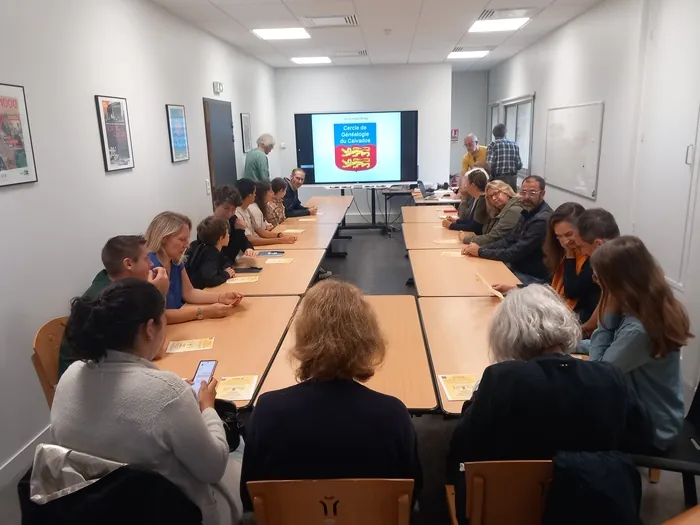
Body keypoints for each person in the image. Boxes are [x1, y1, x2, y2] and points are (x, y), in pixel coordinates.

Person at [447, 284, 653, 525]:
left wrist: (474, 400)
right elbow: (643, 437)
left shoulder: (500, 380)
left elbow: (463, 447)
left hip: (505, 508)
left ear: (505, 333)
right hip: (594, 507)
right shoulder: (609, 377)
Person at [52, 279, 243, 525]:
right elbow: (212, 468)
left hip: (89, 508)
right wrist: (207, 408)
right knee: (237, 449)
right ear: (150, 329)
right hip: (171, 512)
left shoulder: (70, 376)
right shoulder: (168, 393)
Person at [240, 280, 422, 511]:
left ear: (303, 335)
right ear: (366, 338)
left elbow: (250, 498)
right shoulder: (393, 414)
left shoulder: (267, 411)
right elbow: (412, 492)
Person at [578, 236, 692, 450]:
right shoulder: (640, 305)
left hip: (654, 429)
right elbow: (608, 349)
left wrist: (606, 317)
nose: (595, 279)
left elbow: (599, 373)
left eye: (599, 277)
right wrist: (563, 344)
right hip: (647, 411)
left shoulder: (640, 328)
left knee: (560, 417)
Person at [57, 235, 170, 379]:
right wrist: (158, 294)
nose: (151, 264)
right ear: (128, 264)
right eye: (146, 258)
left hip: (99, 377)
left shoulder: (114, 286)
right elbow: (155, 351)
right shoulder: (116, 301)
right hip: (91, 385)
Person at [146, 211, 243, 324]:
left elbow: (189, 292)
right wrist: (204, 312)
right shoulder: (149, 267)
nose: (187, 245)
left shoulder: (176, 261)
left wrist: (221, 297)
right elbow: (160, 316)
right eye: (182, 239)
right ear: (164, 238)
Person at [462, 176, 552, 284]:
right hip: (517, 267)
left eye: (532, 193)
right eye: (523, 192)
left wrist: (480, 251)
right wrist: (480, 248)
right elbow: (508, 240)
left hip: (531, 277)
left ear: (542, 194)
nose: (526, 197)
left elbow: (515, 252)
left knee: (481, 281)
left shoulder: (541, 220)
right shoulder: (527, 211)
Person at [574, 208, 621, 336]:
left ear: (598, 244)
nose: (583, 253)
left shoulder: (617, 274)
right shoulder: (621, 259)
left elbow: (599, 328)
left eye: (582, 247)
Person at [459, 180, 522, 247]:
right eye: (490, 197)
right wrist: (482, 197)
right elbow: (479, 222)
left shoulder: (514, 210)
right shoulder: (497, 211)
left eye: (496, 194)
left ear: (506, 192)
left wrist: (466, 238)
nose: (494, 198)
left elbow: (493, 238)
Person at [234, 179, 296, 246]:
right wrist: (280, 240)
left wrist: (280, 235)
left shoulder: (247, 209)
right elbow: (251, 240)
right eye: (254, 193)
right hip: (250, 249)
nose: (255, 195)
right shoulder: (243, 211)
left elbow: (261, 232)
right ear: (249, 195)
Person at [185, 217, 236, 289]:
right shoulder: (212, 255)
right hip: (201, 292)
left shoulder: (203, 248)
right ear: (221, 238)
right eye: (227, 233)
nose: (229, 235)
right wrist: (226, 274)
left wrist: (226, 268)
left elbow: (225, 262)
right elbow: (210, 280)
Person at [211, 185, 255, 263]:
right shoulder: (210, 226)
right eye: (226, 208)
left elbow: (244, 241)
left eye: (233, 209)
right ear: (215, 204)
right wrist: (239, 231)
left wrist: (248, 248)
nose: (230, 213)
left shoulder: (232, 219)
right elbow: (228, 255)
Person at [442, 167, 487, 233]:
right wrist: (456, 221)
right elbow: (470, 221)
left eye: (467, 183)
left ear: (473, 185)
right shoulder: (476, 198)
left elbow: (474, 227)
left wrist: (451, 225)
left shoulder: (482, 201)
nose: (465, 186)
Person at [486, 123, 522, 191]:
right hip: (512, 181)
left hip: (498, 181)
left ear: (494, 134)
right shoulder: (515, 145)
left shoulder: (492, 145)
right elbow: (519, 165)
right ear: (505, 133)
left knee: (498, 200)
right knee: (512, 200)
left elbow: (489, 166)